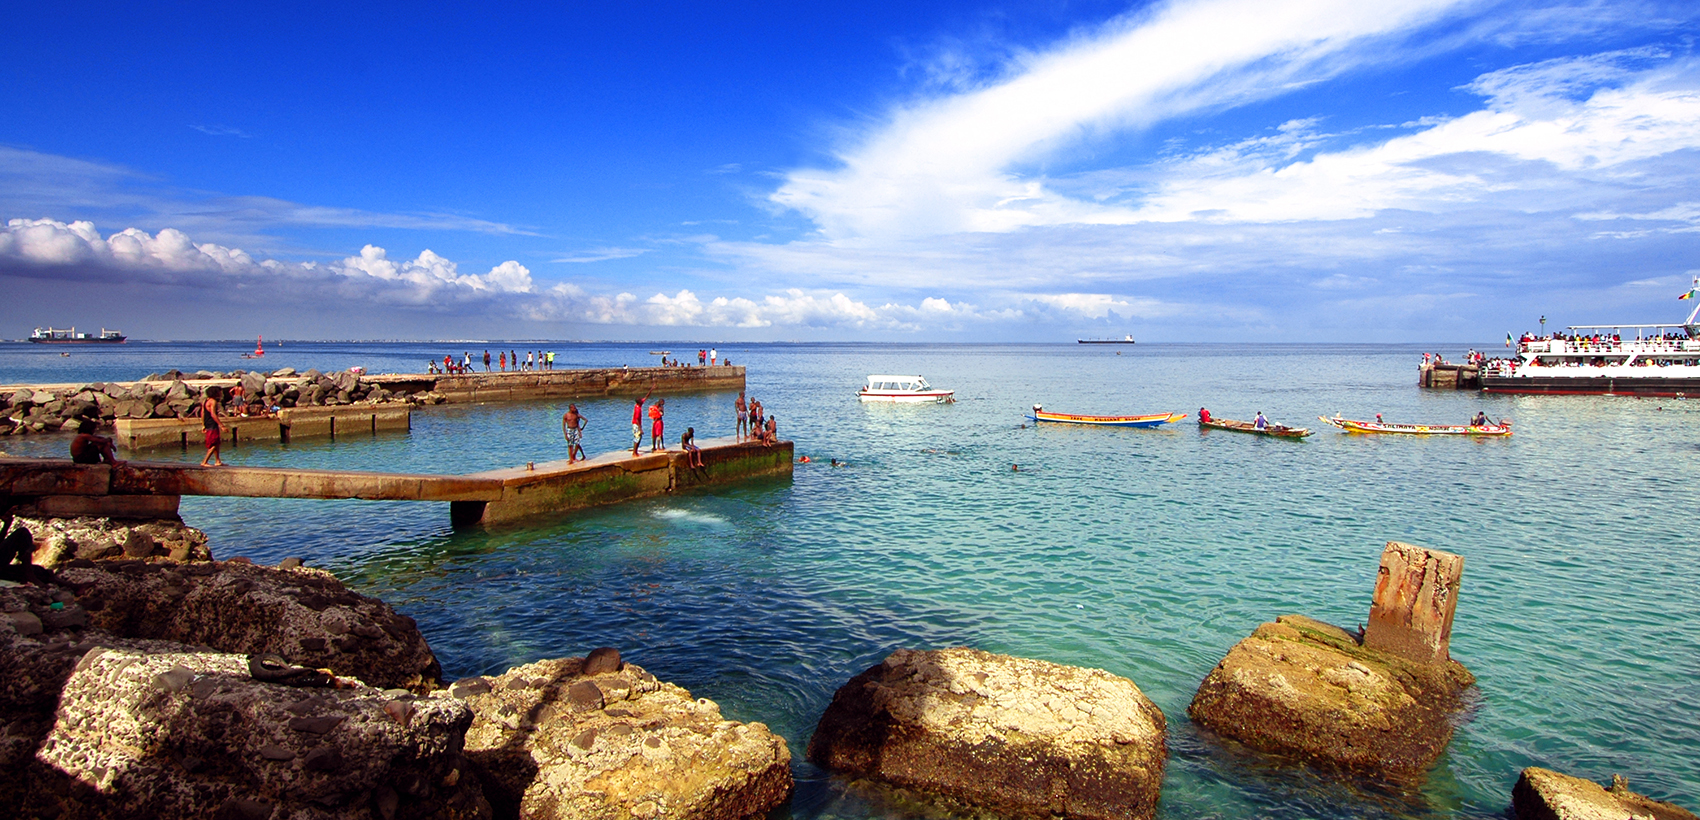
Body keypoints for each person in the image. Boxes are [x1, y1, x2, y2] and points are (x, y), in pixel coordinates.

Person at [200, 386, 228, 466]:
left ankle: (217, 461)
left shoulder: (205, 401)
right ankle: (204, 461)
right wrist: (222, 425)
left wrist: (203, 424)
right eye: (219, 392)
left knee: (217, 443)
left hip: (207, 422)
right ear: (215, 393)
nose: (220, 394)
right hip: (212, 424)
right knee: (213, 444)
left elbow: (202, 413)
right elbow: (213, 414)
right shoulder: (213, 401)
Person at [630, 386, 653, 456]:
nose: (642, 400)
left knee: (639, 437)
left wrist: (651, 389)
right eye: (640, 400)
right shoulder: (637, 409)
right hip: (636, 424)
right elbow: (636, 419)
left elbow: (646, 397)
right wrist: (640, 429)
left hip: (637, 424)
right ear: (639, 402)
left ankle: (635, 451)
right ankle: (634, 452)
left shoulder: (639, 405)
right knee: (637, 437)